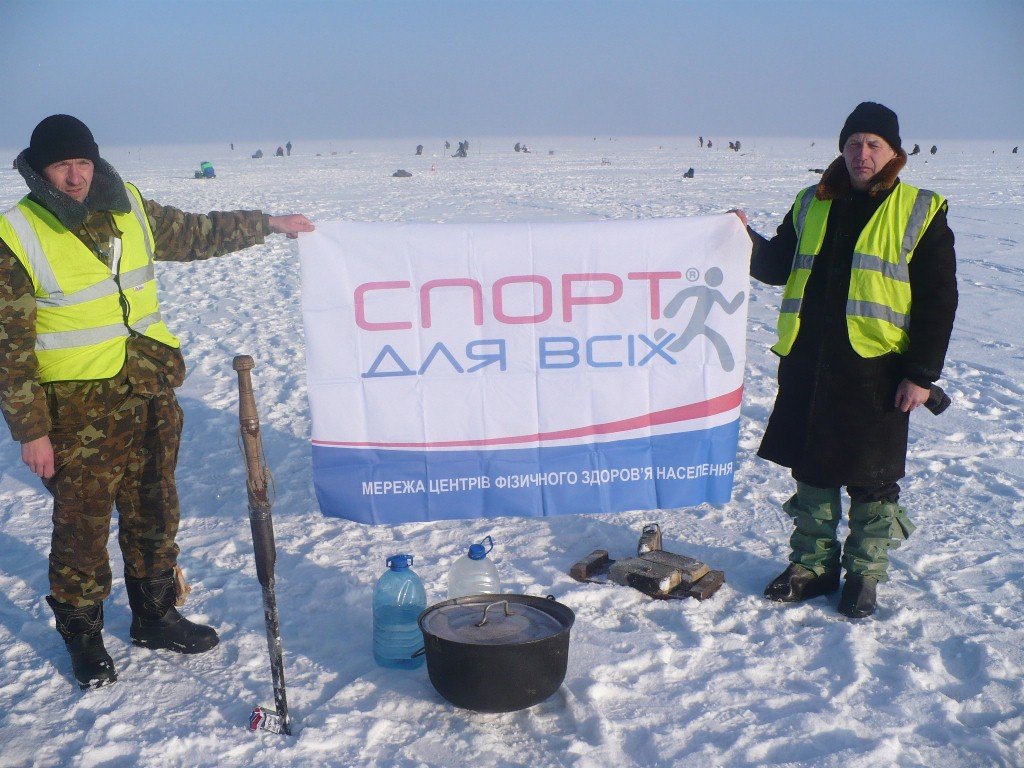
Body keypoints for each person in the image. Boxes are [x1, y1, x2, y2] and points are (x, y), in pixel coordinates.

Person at [0, 114, 315, 689]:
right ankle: (84, 637)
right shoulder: (18, 233)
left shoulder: (128, 205)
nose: (76, 176)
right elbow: (10, 347)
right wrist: (31, 431)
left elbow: (196, 234)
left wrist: (267, 224)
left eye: (83, 162)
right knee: (82, 527)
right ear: (40, 170)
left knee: (155, 507)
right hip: (76, 410)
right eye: (63, 166)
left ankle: (154, 615)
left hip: (148, 390)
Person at [732, 102, 957, 619]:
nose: (862, 153)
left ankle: (863, 574)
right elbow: (777, 266)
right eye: (854, 143)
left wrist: (921, 375)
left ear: (894, 152)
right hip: (810, 360)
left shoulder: (920, 209)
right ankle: (812, 567)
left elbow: (938, 299)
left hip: (877, 367)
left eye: (874, 144)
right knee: (812, 467)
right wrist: (740, 238)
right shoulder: (811, 202)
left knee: (872, 476)